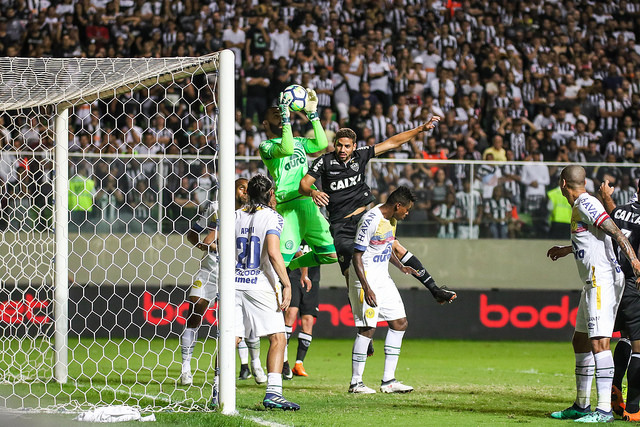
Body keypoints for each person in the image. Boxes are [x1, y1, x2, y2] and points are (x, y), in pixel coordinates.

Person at [298, 118, 457, 304]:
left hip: (364, 219)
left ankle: (435, 289)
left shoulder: (361, 155)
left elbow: (392, 142)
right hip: (341, 225)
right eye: (339, 145)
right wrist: (313, 192)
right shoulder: (324, 161)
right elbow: (303, 185)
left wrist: (420, 128)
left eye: (347, 146)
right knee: (352, 274)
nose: (342, 150)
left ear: (354, 146)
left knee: (396, 247)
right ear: (334, 144)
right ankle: (360, 318)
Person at [546, 165, 640, 423]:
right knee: (580, 340)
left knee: (599, 343)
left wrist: (635, 262)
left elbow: (616, 232)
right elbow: (598, 238)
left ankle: (604, 411)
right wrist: (568, 249)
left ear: (563, 183)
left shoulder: (586, 204)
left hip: (602, 282)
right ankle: (581, 405)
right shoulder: (582, 206)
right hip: (592, 282)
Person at [179, 178, 267, 386]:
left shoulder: (254, 212)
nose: (245, 192)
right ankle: (185, 370)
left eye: (247, 188)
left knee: (247, 321)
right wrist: (203, 245)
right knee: (194, 313)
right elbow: (192, 233)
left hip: (237, 273)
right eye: (241, 187)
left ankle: (255, 364)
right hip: (210, 270)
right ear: (233, 190)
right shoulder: (215, 208)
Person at [226, 174, 298, 410]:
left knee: (231, 338)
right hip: (258, 283)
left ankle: (219, 389)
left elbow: (214, 242)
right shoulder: (273, 217)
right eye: (274, 192)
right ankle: (274, 394)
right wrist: (286, 284)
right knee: (278, 337)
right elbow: (274, 253)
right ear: (269, 194)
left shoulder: (234, 215)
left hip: (232, 283)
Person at [258, 89, 337, 271]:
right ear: (265, 123)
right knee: (279, 262)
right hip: (289, 208)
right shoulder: (266, 146)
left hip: (309, 205)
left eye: (281, 112)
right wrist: (286, 119)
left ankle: (293, 266)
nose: (279, 113)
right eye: (275, 113)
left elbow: (321, 144)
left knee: (332, 255)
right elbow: (286, 149)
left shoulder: (299, 141)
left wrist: (313, 115)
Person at [348, 186, 417, 394]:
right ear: (398, 206)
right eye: (407, 209)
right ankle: (356, 382)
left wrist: (400, 266)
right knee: (368, 329)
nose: (407, 213)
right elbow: (356, 255)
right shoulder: (371, 219)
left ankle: (389, 381)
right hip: (365, 280)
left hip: (383, 279)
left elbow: (386, 247)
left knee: (400, 322)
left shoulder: (391, 220)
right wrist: (367, 287)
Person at [598, 179, 640, 422]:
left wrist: (606, 197)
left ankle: (614, 390)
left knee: (624, 335)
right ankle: (633, 408)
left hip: (614, 281)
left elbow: (613, 217)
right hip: (634, 283)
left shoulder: (621, 210)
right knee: (638, 345)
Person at [284, 250, 320, 378]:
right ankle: (284, 360)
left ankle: (299, 364)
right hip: (293, 276)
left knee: (308, 321)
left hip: (313, 278)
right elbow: (297, 252)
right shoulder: (297, 231)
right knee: (291, 313)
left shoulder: (321, 232)